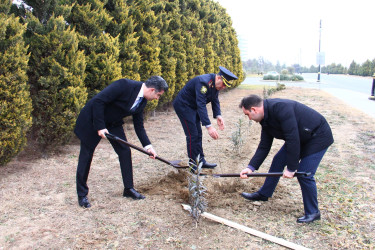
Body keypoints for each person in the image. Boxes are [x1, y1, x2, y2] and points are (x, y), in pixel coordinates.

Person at [74, 76, 168, 208]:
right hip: (93, 119)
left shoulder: (142, 101)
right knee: (86, 154)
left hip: (113, 123)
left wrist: (148, 146)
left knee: (124, 151)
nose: (157, 98)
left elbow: (139, 125)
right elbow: (98, 101)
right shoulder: (124, 85)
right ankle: (82, 195)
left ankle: (128, 189)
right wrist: (100, 126)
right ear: (152, 90)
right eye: (158, 95)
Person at [239, 94, 334, 223]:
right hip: (300, 137)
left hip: (317, 136)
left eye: (247, 115)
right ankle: (264, 194)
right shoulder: (265, 119)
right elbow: (264, 146)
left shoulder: (281, 108)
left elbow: (292, 138)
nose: (249, 119)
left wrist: (291, 168)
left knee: (304, 174)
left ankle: (313, 212)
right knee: (278, 160)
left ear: (254, 110)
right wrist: (250, 168)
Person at [173, 66, 238, 171]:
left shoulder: (215, 85)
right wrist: (209, 127)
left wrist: (218, 116)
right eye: (224, 84)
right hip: (184, 106)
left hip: (193, 106)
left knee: (198, 133)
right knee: (192, 134)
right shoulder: (203, 82)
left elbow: (215, 99)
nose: (224, 87)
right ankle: (193, 165)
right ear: (218, 78)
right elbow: (201, 105)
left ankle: (201, 161)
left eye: (226, 86)